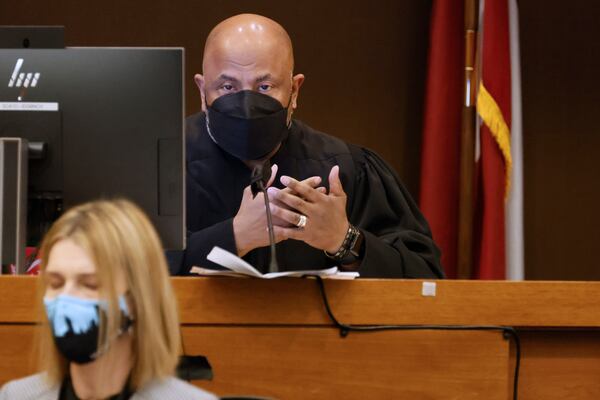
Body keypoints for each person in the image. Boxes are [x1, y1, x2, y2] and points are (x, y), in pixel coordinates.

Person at [181, 13, 444, 279]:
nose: (247, 104)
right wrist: (235, 236)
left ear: (295, 91)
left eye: (264, 86)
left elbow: (425, 279)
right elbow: (138, 275)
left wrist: (344, 240)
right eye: (227, 87)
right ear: (202, 91)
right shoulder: (161, 165)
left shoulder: (346, 169)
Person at [0, 199, 217, 400]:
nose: (66, 296)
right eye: (55, 283)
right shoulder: (15, 396)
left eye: (90, 284)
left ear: (136, 299)